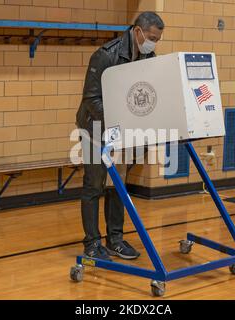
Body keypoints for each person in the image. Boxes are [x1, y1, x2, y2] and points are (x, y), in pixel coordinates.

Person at [76, 12, 164, 261]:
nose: (153, 43)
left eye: (157, 39)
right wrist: (120, 121)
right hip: (95, 127)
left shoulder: (149, 56)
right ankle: (91, 243)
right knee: (94, 185)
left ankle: (115, 239)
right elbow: (91, 99)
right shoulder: (105, 54)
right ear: (138, 31)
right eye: (151, 37)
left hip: (124, 131)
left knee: (118, 186)